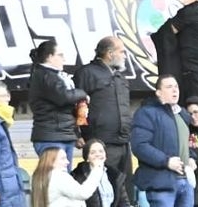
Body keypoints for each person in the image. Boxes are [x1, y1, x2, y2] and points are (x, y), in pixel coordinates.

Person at [129, 76, 194, 207]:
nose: (175, 90)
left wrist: (192, 157)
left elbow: (188, 142)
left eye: (176, 87)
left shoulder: (183, 115)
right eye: (169, 87)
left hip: (186, 182)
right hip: (160, 184)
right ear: (158, 92)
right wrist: (166, 161)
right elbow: (139, 146)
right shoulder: (146, 113)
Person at [75, 37, 133, 181]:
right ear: (110, 53)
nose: (125, 56)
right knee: (104, 186)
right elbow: (77, 105)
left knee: (124, 188)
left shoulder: (120, 77)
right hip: (100, 143)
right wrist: (76, 133)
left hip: (124, 143)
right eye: (122, 52)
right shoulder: (87, 73)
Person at [29, 38, 88, 167]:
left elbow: (67, 109)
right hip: (51, 138)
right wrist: (82, 93)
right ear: (50, 57)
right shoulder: (45, 76)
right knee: (56, 180)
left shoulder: (55, 76)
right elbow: (64, 97)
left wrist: (76, 134)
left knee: (64, 179)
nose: (64, 59)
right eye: (60, 55)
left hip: (62, 135)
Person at [31, 147, 103, 207]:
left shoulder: (38, 177)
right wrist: (97, 169)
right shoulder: (59, 176)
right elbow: (83, 193)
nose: (67, 162)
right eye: (63, 158)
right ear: (51, 161)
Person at [72, 140, 127, 207]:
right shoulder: (78, 176)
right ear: (87, 158)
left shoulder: (115, 175)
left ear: (105, 155)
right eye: (93, 152)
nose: (98, 154)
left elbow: (124, 202)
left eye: (101, 151)